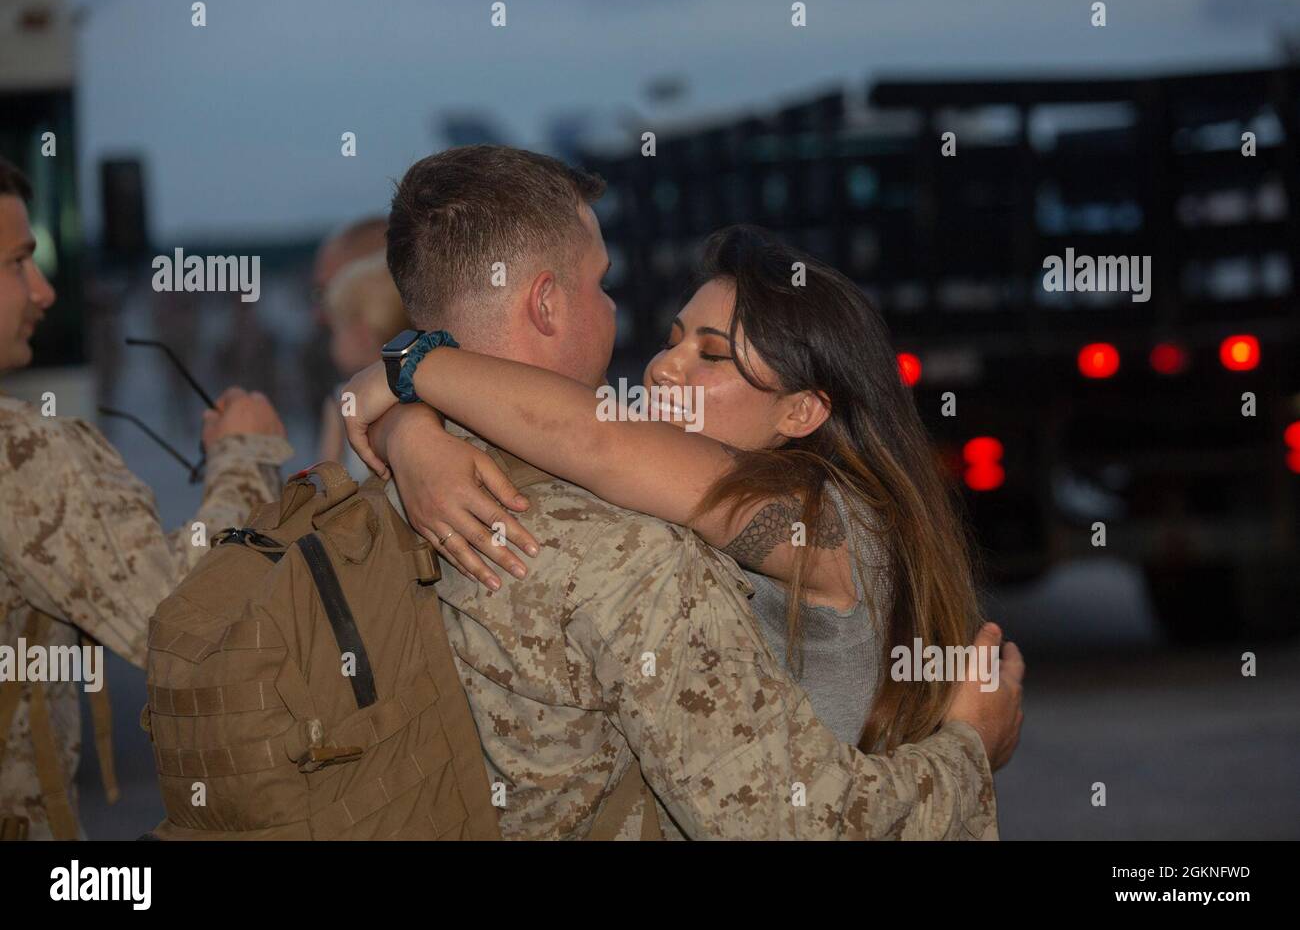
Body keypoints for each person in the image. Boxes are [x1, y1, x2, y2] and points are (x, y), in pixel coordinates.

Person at [353, 145, 1023, 839]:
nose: (664, 367)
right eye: (674, 339)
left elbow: (596, 440)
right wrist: (413, 428)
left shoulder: (818, 519)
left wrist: (412, 368)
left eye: (711, 356)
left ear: (801, 412)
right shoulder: (684, 497)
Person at [0, 156, 294, 840]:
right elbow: (176, 623)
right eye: (17, 263)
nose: (42, 291)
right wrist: (245, 457)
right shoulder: (24, 454)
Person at [316, 251, 410, 477]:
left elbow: (324, 484)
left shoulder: (343, 401)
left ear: (361, 337)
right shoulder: (419, 387)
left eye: (335, 330)